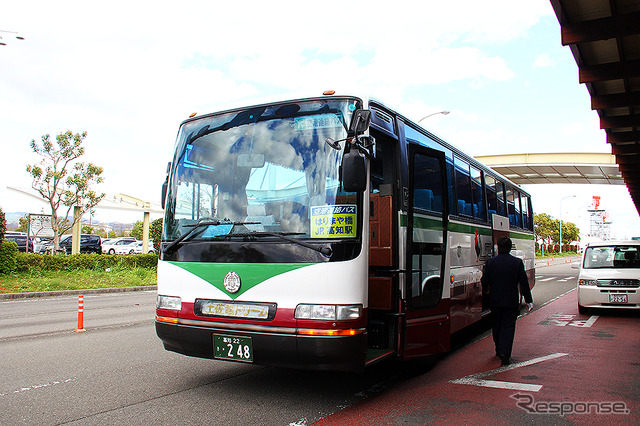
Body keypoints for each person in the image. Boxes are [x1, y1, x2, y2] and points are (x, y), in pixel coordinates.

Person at [481, 236, 533, 366]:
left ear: (498, 247)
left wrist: (486, 290)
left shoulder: (491, 262)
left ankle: (499, 349)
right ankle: (505, 353)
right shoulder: (517, 263)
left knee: (496, 326)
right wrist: (528, 300)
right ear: (510, 248)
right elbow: (524, 283)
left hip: (495, 301)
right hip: (511, 301)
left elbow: (484, 280)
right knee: (508, 327)